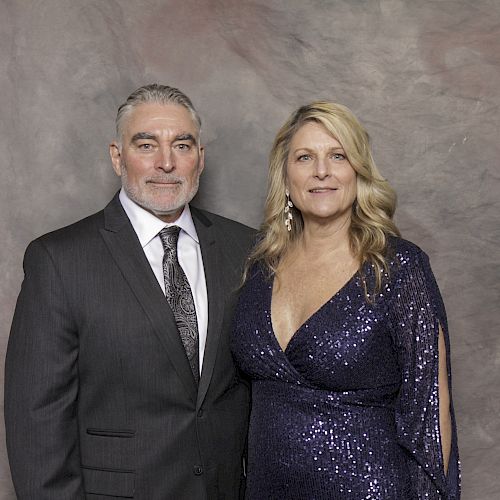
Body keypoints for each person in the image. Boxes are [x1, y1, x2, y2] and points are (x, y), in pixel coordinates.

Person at [5, 84, 255, 499]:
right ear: (117, 157)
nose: (166, 163)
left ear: (201, 159)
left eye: (182, 145)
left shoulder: (245, 249)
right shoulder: (60, 260)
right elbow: (37, 424)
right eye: (146, 145)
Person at [231, 101, 460, 499]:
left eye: (337, 156)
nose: (322, 171)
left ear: (357, 170)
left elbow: (430, 416)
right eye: (305, 157)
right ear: (285, 176)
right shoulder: (258, 265)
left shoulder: (398, 267)